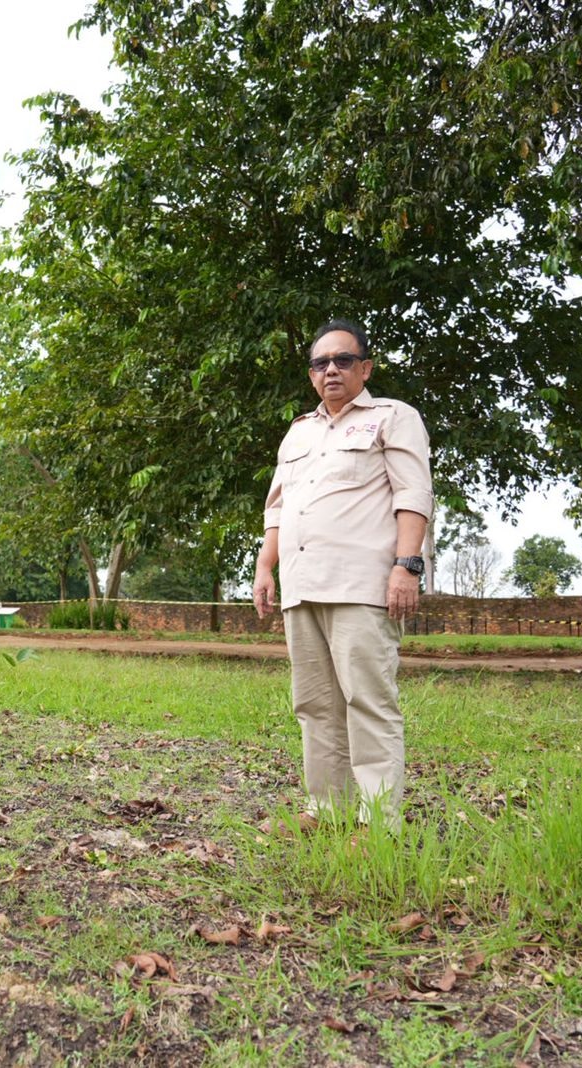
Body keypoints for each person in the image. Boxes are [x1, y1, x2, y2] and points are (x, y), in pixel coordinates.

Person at [252, 318, 432, 830]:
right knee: (315, 705)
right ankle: (325, 811)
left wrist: (407, 566)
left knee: (368, 703)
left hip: (361, 585)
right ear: (311, 375)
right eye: (320, 363)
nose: (331, 369)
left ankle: (378, 826)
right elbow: (278, 509)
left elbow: (413, 494)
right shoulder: (299, 432)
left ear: (365, 367)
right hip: (302, 586)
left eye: (343, 360)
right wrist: (267, 569)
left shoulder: (392, 417)